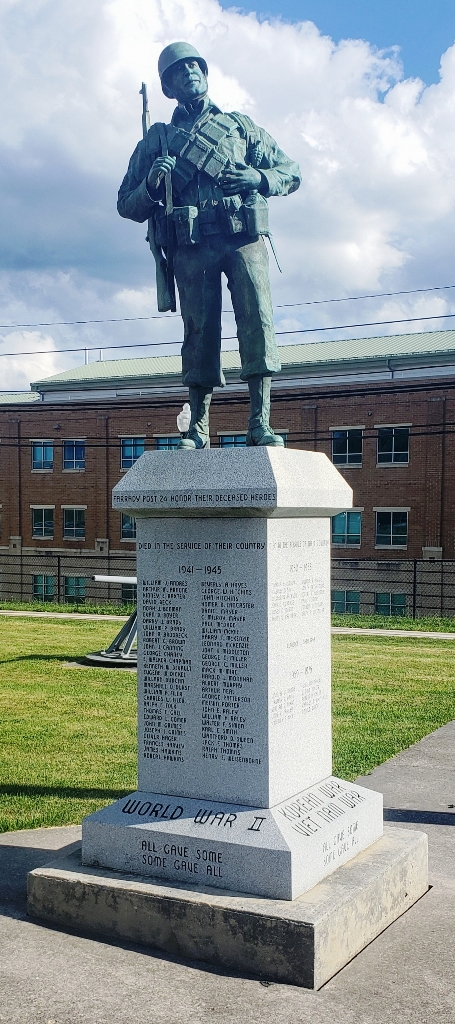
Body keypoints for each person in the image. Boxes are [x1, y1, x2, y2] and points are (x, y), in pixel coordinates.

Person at [118, 42, 301, 449]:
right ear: (168, 88)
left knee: (257, 323)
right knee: (199, 332)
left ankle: (260, 424)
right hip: (192, 245)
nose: (190, 73)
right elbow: (125, 203)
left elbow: (290, 170)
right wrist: (151, 184)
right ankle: (198, 429)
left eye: (194, 66)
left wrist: (258, 178)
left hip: (241, 238)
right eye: (179, 71)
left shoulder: (239, 126)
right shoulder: (158, 140)